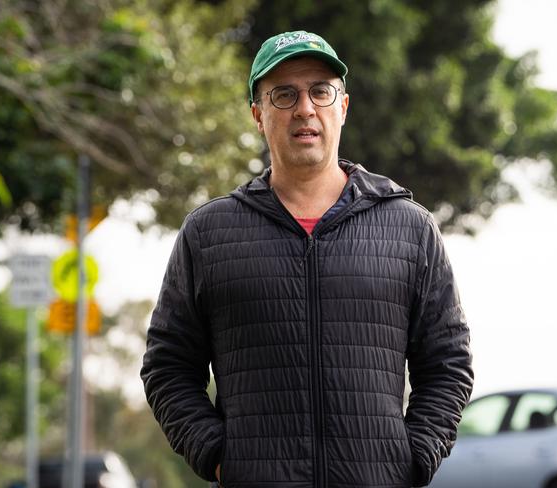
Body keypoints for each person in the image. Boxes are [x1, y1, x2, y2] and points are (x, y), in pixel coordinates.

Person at [141, 30, 473, 488]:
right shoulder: (208, 233)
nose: (304, 108)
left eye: (321, 90)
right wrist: (219, 457)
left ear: (343, 106)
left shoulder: (410, 227)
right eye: (284, 94)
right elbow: (167, 365)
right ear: (258, 114)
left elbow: (448, 362)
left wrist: (413, 459)